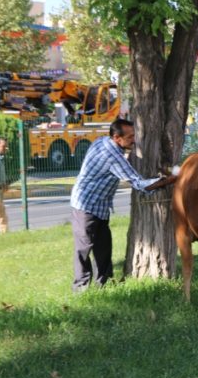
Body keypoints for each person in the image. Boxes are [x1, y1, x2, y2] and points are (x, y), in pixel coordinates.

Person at [69, 118, 177, 293]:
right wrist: (170, 180)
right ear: (117, 138)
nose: (134, 140)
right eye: (130, 137)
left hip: (100, 207)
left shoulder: (103, 141)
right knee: (83, 248)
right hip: (85, 205)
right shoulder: (112, 156)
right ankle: (80, 289)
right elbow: (140, 184)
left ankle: (103, 284)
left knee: (103, 247)